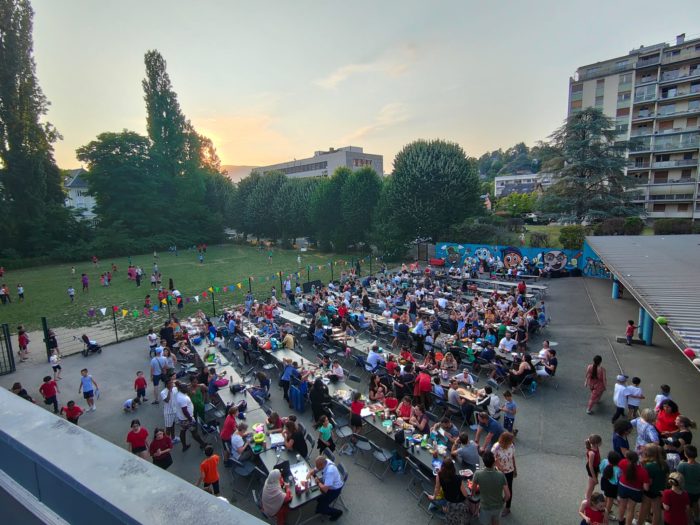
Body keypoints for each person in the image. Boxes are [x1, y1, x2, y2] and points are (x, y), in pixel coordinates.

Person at [472, 451, 510, 525]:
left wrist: (473, 494)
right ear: (494, 462)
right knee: (496, 522)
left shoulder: (478, 474)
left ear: (484, 462)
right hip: (498, 506)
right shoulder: (501, 475)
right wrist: (502, 501)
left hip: (485, 507)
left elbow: (473, 490)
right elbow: (508, 495)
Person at [427, 458, 468, 524]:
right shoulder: (457, 478)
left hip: (447, 498)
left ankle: (445, 509)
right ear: (453, 467)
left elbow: (437, 488)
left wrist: (433, 497)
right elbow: (465, 494)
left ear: (442, 466)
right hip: (456, 501)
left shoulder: (439, 475)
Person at [637, 443, 668, 525]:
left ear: (647, 453)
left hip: (649, 491)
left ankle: (639, 523)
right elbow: (666, 478)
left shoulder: (649, 466)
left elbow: (648, 483)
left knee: (643, 509)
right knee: (656, 511)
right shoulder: (664, 464)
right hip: (660, 491)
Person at [617, 451, 650, 525]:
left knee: (622, 505)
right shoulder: (643, 471)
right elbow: (646, 488)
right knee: (630, 509)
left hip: (623, 486)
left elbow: (619, 473)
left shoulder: (622, 462)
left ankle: (620, 520)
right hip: (635, 491)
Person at [306, 456, 344, 521]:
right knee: (317, 496)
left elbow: (325, 489)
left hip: (334, 490)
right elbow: (315, 470)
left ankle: (337, 512)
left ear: (322, 465)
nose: (316, 468)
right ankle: (321, 502)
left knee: (321, 508)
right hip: (328, 484)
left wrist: (318, 482)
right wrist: (309, 473)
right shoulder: (325, 461)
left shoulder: (330, 471)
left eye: (318, 466)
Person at [174, 383, 206, 451]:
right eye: (186, 387)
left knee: (182, 431)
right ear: (182, 389)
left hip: (181, 419)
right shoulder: (182, 398)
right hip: (187, 419)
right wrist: (190, 419)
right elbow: (185, 411)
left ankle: (184, 446)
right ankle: (202, 444)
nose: (188, 388)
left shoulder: (179, 394)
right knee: (194, 432)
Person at [492, 432, 516, 517]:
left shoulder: (511, 446)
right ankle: (498, 502)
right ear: (505, 441)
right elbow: (492, 459)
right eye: (510, 441)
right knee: (497, 488)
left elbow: (512, 457)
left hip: (509, 471)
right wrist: (499, 467)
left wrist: (515, 468)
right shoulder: (496, 447)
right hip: (498, 472)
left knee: (509, 489)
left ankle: (507, 507)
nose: (511, 443)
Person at [677, 445, 700, 523]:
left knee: (687, 506)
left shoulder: (682, 465)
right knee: (695, 503)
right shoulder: (699, 466)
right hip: (697, 490)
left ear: (686, 455)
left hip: (686, 490)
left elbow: (679, 478)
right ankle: (697, 518)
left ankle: (689, 521)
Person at [599, 450, 622, 519]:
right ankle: (606, 513)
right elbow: (618, 480)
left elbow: (600, 469)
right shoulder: (618, 469)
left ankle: (604, 509)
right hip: (612, 486)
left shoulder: (604, 461)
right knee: (611, 500)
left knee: (606, 496)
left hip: (604, 481)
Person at [584, 434, 602, 503]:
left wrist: (599, 465)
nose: (601, 443)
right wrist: (594, 477)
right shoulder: (592, 453)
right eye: (600, 442)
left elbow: (599, 456)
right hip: (592, 468)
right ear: (596, 444)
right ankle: (587, 499)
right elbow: (590, 466)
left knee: (592, 484)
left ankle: (588, 495)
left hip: (595, 467)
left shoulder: (596, 448)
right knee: (591, 485)